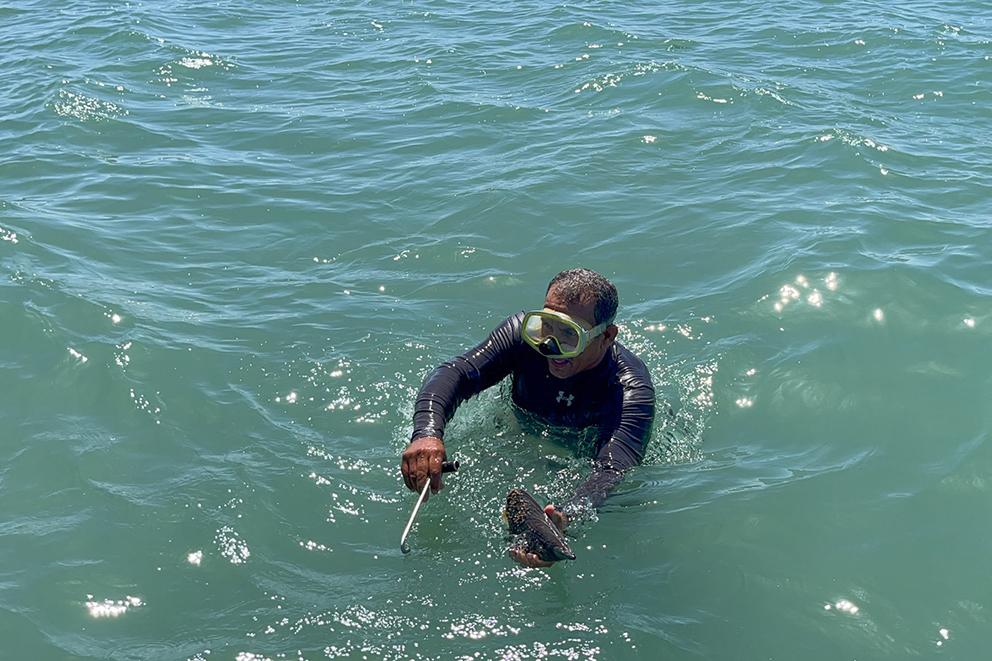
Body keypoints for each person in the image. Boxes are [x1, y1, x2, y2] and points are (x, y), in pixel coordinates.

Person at [400, 268, 655, 566]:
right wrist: (427, 433)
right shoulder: (523, 338)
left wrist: (564, 518)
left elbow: (611, 469)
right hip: (522, 428)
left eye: (568, 334)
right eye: (547, 325)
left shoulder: (630, 390)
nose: (550, 345)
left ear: (607, 336)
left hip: (578, 451)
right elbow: (456, 373)